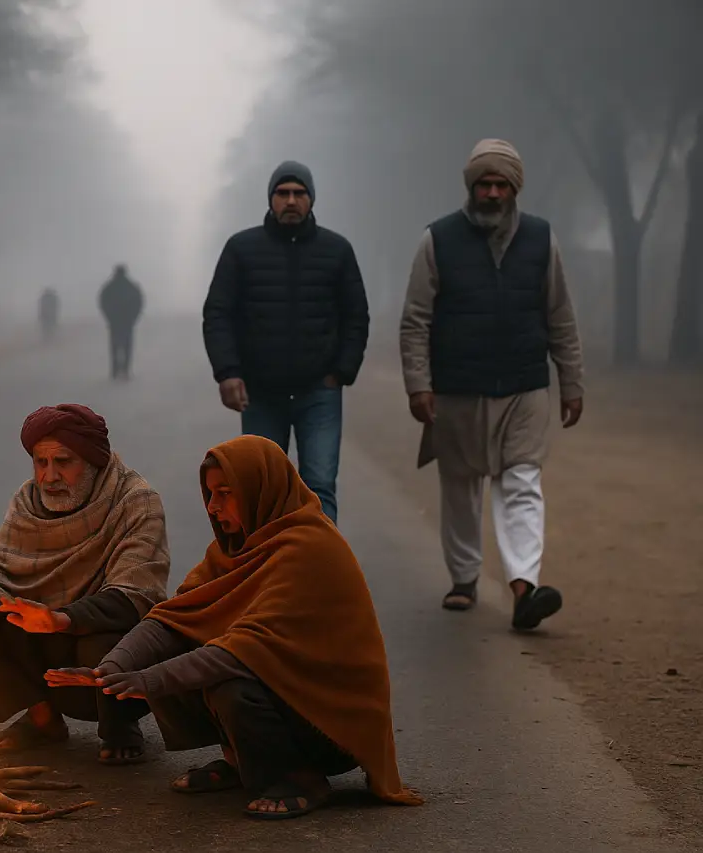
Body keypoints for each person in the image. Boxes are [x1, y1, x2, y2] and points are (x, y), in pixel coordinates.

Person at [46, 435, 423, 820]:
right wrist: (111, 669)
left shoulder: (310, 547)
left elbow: (247, 651)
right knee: (176, 651)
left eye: (225, 493)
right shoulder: (235, 549)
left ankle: (299, 776)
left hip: (333, 727)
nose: (213, 506)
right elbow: (173, 617)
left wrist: (150, 680)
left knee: (227, 682)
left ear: (260, 490)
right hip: (283, 700)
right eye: (210, 494)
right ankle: (245, 762)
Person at [399, 139, 584, 629]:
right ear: (472, 186)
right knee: (460, 487)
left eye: (502, 184)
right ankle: (464, 579)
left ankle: (524, 589)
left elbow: (560, 316)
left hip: (525, 386)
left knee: (522, 482)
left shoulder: (542, 239)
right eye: (486, 184)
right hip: (457, 387)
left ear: (514, 189)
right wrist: (418, 384)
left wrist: (572, 382)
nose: (494, 193)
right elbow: (415, 319)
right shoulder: (437, 240)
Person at [0, 403, 169, 764]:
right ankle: (43, 720)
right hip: (42, 637)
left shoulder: (137, 501)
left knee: (106, 643)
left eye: (63, 462)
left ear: (93, 461)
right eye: (41, 463)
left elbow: (135, 595)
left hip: (101, 644)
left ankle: (119, 725)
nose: (49, 477)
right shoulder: (28, 501)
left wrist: (61, 619)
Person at [202, 161, 369, 525]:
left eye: (299, 193)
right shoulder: (241, 249)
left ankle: (319, 573)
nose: (291, 200)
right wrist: (227, 372)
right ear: (271, 199)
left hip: (319, 393)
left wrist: (341, 371)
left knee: (320, 486)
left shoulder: (336, 250)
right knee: (261, 488)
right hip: (260, 394)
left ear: (311, 199)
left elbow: (356, 315)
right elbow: (218, 313)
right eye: (283, 193)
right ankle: (268, 574)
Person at [98, 264, 144, 380]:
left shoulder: (109, 287)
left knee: (114, 346)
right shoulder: (132, 287)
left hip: (114, 321)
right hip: (127, 321)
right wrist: (134, 318)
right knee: (127, 346)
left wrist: (108, 317)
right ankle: (126, 369)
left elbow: (102, 302)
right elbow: (139, 303)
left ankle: (115, 370)